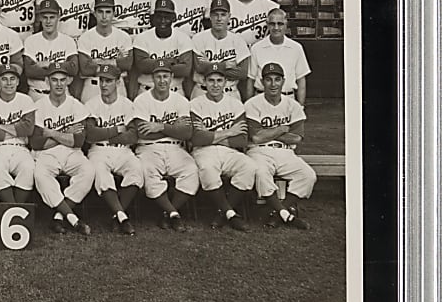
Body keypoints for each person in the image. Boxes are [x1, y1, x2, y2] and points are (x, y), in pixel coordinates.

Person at [245, 62, 317, 230]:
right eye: (268, 79)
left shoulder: (293, 105)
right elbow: (256, 138)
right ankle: (285, 213)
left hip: (286, 152)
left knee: (308, 175)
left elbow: (297, 138)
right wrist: (281, 129)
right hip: (259, 152)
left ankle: (278, 213)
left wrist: (268, 133)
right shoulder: (252, 104)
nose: (273, 84)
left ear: (283, 81)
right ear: (262, 82)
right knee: (260, 173)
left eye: (277, 79)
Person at [130, 60, 198, 231]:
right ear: (152, 78)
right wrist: (174, 128)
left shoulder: (180, 100)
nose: (162, 80)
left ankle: (167, 213)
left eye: (165, 76)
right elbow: (142, 133)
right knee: (147, 172)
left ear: (172, 77)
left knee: (191, 170)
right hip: (149, 147)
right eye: (158, 76)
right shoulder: (141, 100)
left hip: (176, 148)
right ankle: (174, 214)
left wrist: (160, 127)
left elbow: (187, 133)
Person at [190, 64, 256, 231]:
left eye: (219, 80)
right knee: (208, 169)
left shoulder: (235, 104)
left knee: (249, 167)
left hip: (230, 151)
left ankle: (223, 213)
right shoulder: (195, 104)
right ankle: (231, 214)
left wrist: (210, 136)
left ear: (226, 82)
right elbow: (197, 139)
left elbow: (241, 140)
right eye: (211, 80)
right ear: (204, 82)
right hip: (204, 151)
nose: (215, 85)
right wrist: (229, 132)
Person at [31, 62, 94, 235]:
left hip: (72, 153)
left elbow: (78, 141)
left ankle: (59, 216)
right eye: (54, 80)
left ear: (68, 81)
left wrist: (51, 133)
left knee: (88, 171)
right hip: (47, 153)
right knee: (40, 175)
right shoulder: (38, 106)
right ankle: (73, 218)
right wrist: (66, 133)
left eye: (62, 80)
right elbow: (36, 142)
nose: (59, 84)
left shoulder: (77, 106)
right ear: (47, 81)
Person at [84, 64, 142, 236]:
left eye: (108, 81)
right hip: (99, 150)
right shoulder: (91, 104)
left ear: (117, 82)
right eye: (101, 80)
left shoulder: (127, 104)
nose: (103, 85)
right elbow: (90, 135)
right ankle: (123, 217)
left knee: (137, 170)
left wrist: (104, 135)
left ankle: (117, 215)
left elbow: (133, 136)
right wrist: (117, 130)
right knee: (101, 174)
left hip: (123, 150)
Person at [0, 63, 37, 204]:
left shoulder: (26, 100)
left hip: (19, 148)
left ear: (18, 82)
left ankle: (13, 207)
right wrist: (17, 128)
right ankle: (15, 208)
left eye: (12, 79)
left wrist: (0, 127)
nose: (9, 83)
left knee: (28, 167)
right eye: (4, 79)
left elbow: (28, 129)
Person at [131, 0, 194, 98]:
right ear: (153, 18)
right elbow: (142, 66)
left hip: (175, 91)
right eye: (159, 17)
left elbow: (185, 70)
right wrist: (172, 61)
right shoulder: (142, 38)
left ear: (174, 18)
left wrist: (153, 63)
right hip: (147, 91)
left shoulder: (183, 38)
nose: (163, 21)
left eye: (167, 17)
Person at [190, 0, 250, 101]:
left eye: (223, 15)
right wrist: (225, 65)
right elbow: (199, 68)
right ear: (210, 16)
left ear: (229, 17)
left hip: (230, 93)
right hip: (202, 92)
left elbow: (242, 74)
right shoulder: (198, 38)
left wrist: (209, 65)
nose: (219, 18)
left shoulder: (238, 41)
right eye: (215, 14)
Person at [76, 0, 133, 103]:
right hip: (93, 85)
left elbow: (127, 64)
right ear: (94, 13)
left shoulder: (123, 37)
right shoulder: (85, 38)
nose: (104, 16)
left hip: (117, 85)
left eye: (108, 12)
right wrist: (115, 63)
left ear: (114, 13)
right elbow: (85, 68)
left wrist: (97, 63)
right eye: (100, 12)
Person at [248, 8, 311, 106]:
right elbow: (251, 79)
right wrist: (249, 106)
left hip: (288, 100)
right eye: (272, 24)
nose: (276, 27)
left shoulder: (296, 48)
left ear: (286, 25)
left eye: (280, 24)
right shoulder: (256, 48)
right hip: (261, 100)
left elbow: (301, 80)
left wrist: (300, 107)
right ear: (267, 24)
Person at [23, 0, 79, 101]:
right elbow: (30, 71)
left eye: (52, 17)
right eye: (45, 17)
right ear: (40, 18)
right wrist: (61, 69)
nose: (48, 21)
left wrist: (48, 65)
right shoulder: (30, 40)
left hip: (63, 95)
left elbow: (73, 69)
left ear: (58, 17)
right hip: (37, 94)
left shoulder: (68, 41)